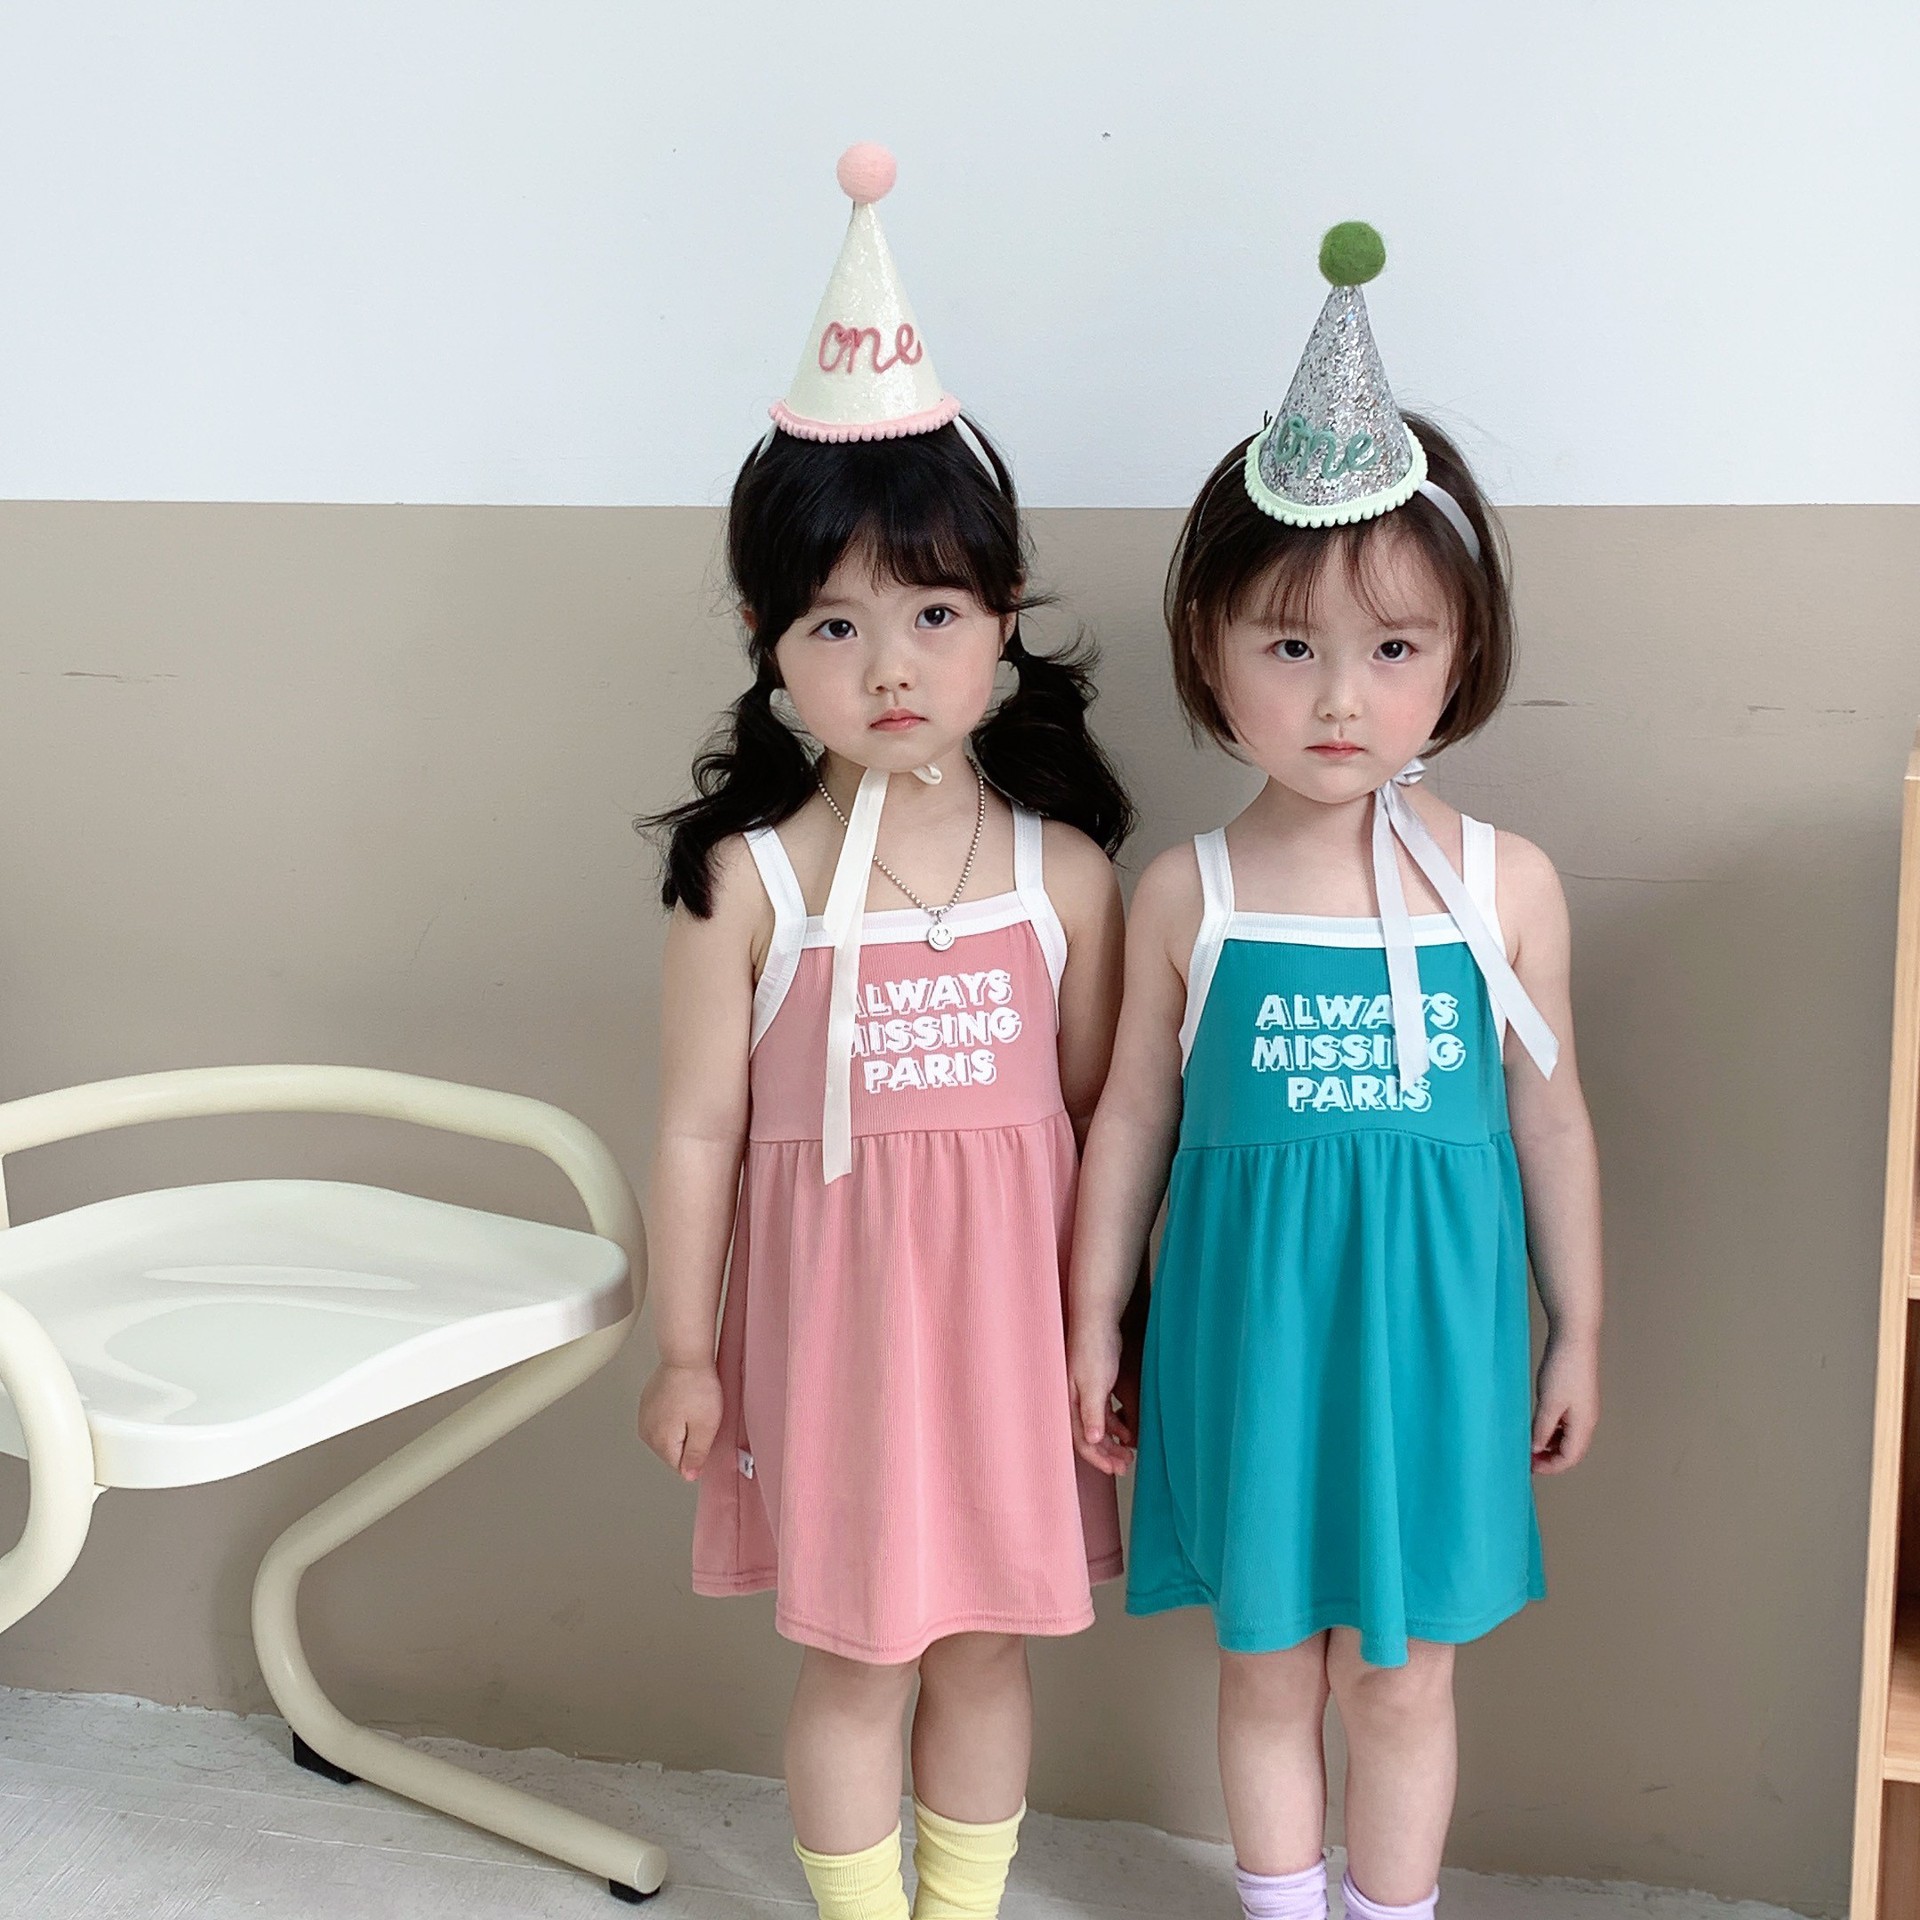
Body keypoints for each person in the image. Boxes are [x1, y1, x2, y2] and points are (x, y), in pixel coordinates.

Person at [1068, 224, 1603, 1920]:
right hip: (1248, 1345)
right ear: (1210, 652)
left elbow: (1548, 1115)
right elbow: (1131, 1120)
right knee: (1264, 1674)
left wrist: (1582, 1325)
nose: (1341, 699)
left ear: (1461, 654)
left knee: (1404, 1684)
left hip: (1434, 1351)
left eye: (1393, 648)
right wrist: (1094, 1320)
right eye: (1290, 648)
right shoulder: (1189, 895)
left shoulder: (1507, 888)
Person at [637, 145, 1134, 1920]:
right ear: (772, 648)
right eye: (837, 624)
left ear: (1003, 627)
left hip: (1008, 1340)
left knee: (989, 1648)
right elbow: (698, 1129)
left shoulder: (1065, 876)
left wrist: (1114, 1329)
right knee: (857, 1659)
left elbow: (1103, 1129)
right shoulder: (749, 881)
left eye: (935, 615)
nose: (893, 663)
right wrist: (685, 1349)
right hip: (835, 1341)